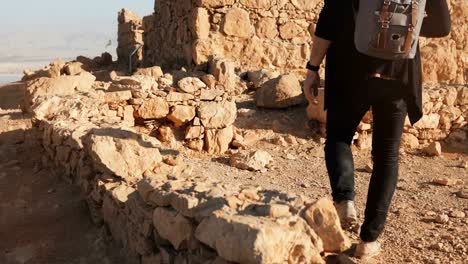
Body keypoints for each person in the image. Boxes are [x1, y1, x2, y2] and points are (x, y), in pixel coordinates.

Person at [303, 0, 451, 258]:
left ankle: (345, 199)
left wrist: (313, 68)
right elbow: (441, 26)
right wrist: (402, 27)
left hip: (351, 70)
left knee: (339, 136)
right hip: (399, 74)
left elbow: (329, 20)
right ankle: (368, 240)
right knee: (386, 157)